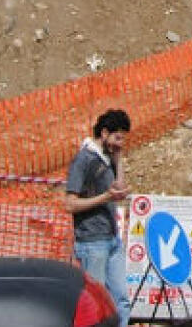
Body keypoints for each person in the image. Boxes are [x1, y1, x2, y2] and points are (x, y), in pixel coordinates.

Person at [66, 109, 132, 326]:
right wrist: (105, 197)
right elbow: (70, 204)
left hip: (112, 239)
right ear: (104, 133)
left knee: (121, 300)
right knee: (96, 306)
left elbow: (118, 187)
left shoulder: (108, 157)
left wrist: (118, 159)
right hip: (91, 243)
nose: (120, 143)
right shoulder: (83, 160)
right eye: (117, 138)